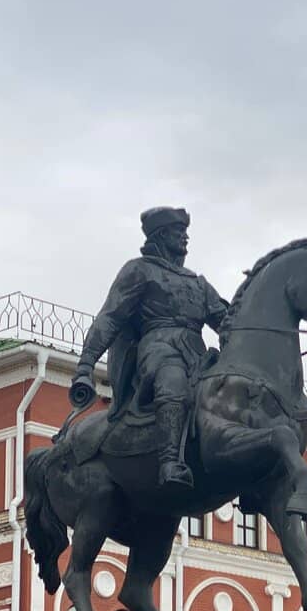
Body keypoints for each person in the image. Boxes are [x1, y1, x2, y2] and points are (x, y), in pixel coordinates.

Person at [70, 206, 230, 487]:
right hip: (158, 350)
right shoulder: (139, 271)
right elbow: (110, 318)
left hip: (197, 354)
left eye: (186, 232)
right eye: (179, 232)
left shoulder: (198, 283)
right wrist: (85, 367)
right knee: (173, 381)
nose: (185, 238)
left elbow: (225, 323)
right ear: (161, 235)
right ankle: (170, 463)